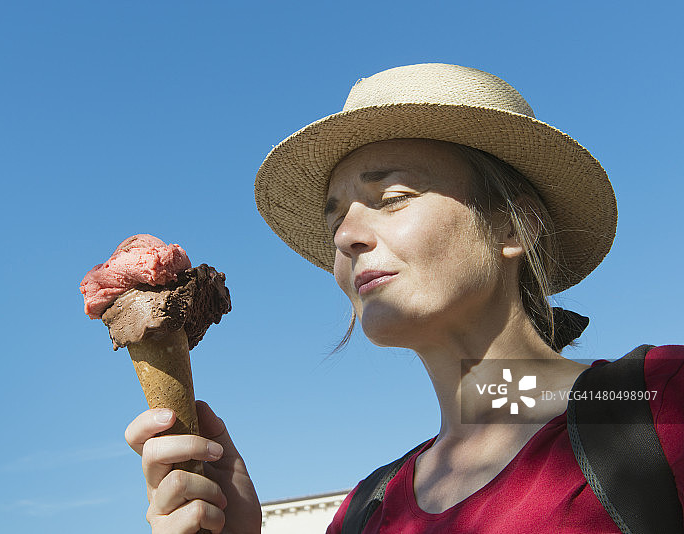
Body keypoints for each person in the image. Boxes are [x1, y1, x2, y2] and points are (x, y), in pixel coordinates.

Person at [124, 64, 684, 533]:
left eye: (392, 197)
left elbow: (546, 397)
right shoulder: (364, 512)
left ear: (516, 228)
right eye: (337, 218)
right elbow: (509, 401)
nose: (346, 236)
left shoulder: (660, 400)